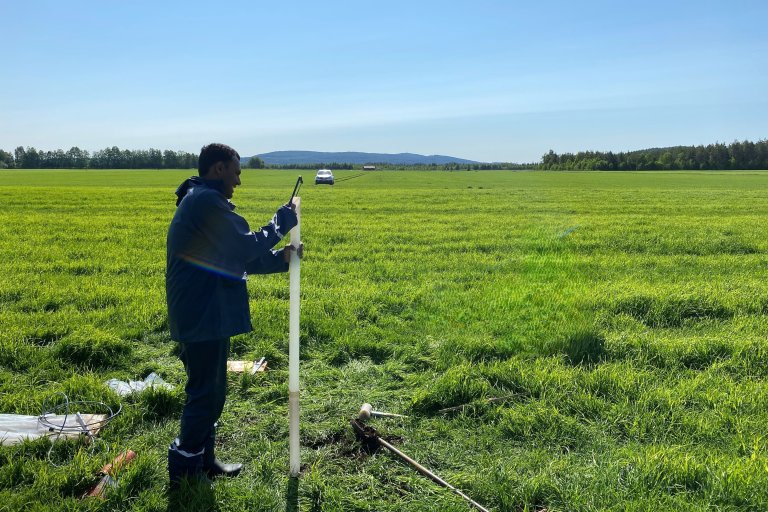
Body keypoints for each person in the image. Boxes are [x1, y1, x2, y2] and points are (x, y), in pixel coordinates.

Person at [165, 143, 301, 486]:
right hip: (201, 313)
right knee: (204, 391)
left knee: (214, 390)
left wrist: (279, 260)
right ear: (219, 169)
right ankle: (185, 472)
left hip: (207, 311)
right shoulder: (205, 202)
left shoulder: (203, 201)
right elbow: (244, 246)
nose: (239, 181)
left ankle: (204, 460)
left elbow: (233, 257)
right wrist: (281, 221)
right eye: (237, 172)